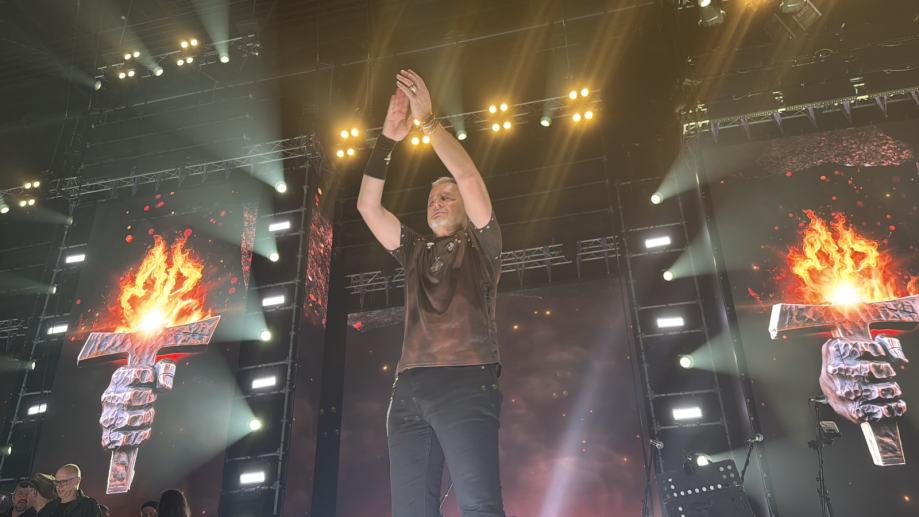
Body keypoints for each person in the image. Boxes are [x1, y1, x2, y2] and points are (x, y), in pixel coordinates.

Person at [357, 69, 506, 517]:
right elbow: (367, 206)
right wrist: (387, 140)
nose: (436, 202)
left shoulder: (481, 244)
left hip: (466, 379)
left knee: (479, 506)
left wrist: (428, 123)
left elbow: (468, 175)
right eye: (431, 199)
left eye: (447, 197)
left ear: (466, 208)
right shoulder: (415, 251)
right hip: (409, 387)